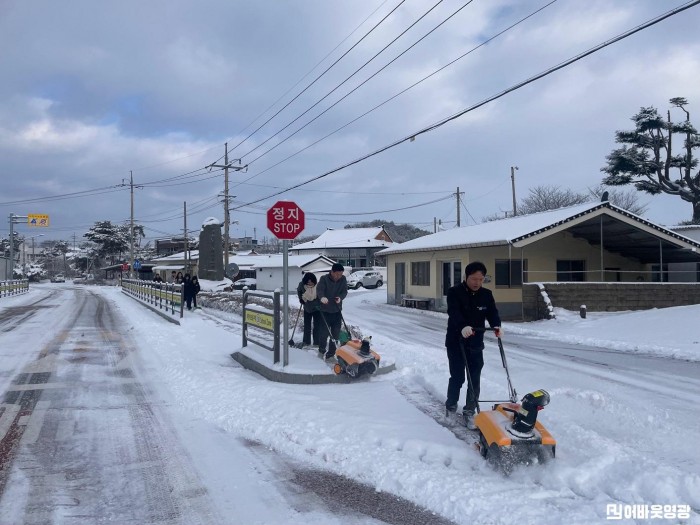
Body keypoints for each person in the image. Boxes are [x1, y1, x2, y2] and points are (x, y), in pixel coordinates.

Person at [445, 261, 502, 430]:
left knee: (474, 378)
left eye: (480, 279)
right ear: (466, 277)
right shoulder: (454, 292)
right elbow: (453, 311)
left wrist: (497, 326)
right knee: (458, 377)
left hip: (476, 343)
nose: (477, 282)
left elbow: (492, 312)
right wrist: (462, 326)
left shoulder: (486, 294)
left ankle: (469, 411)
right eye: (473, 279)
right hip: (456, 342)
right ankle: (451, 406)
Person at [316, 263, 348, 359]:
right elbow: (319, 289)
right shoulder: (324, 279)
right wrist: (322, 297)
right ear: (332, 272)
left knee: (335, 333)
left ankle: (331, 354)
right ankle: (321, 350)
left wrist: (340, 298)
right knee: (324, 333)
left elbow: (344, 291)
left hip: (337, 310)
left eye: (341, 274)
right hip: (325, 310)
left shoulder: (343, 279)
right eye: (337, 274)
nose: (339, 276)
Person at [296, 272, 320, 348]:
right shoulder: (302, 285)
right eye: (308, 282)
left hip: (317, 308)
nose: (309, 283)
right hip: (307, 307)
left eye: (311, 281)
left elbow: (321, 294)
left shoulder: (317, 286)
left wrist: (320, 303)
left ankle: (317, 342)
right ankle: (306, 341)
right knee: (307, 325)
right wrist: (301, 299)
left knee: (317, 326)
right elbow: (299, 291)